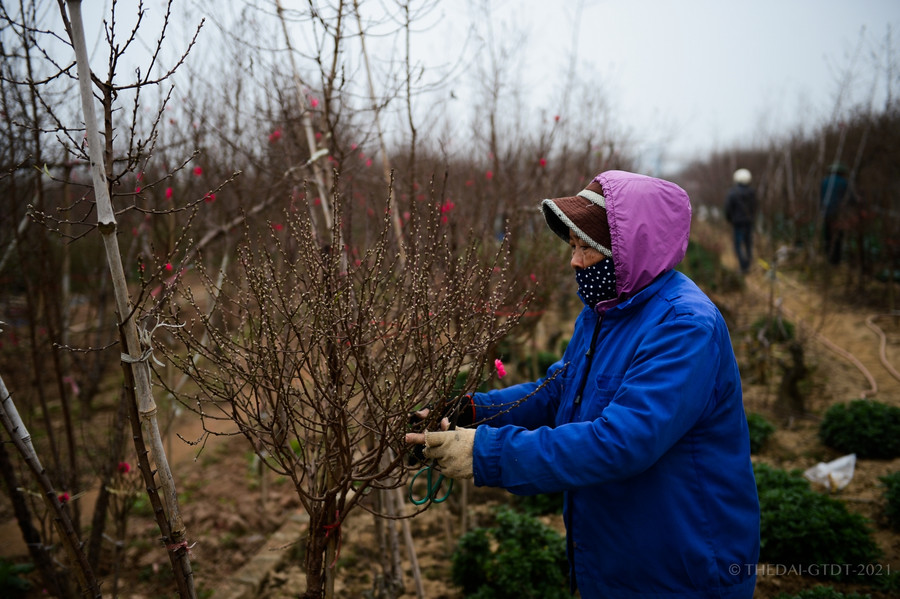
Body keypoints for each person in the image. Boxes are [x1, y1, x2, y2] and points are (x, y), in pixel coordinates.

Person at [407, 170, 760, 599]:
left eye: (588, 248)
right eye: (573, 246)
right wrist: (474, 411)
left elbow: (621, 443)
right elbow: (561, 389)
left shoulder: (683, 326)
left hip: (680, 568)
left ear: (632, 248)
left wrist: (484, 452)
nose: (574, 261)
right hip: (617, 555)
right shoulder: (606, 309)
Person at [724, 168, 757, 274]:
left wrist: (730, 220)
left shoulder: (733, 193)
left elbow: (728, 209)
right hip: (749, 222)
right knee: (748, 244)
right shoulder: (752, 192)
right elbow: (755, 207)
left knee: (738, 245)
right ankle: (749, 264)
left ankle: (744, 267)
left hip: (737, 224)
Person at [820, 163, 853, 265]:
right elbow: (850, 197)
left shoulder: (824, 181)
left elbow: (820, 197)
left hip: (826, 211)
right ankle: (835, 260)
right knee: (838, 236)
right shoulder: (843, 182)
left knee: (828, 234)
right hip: (837, 213)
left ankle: (828, 257)